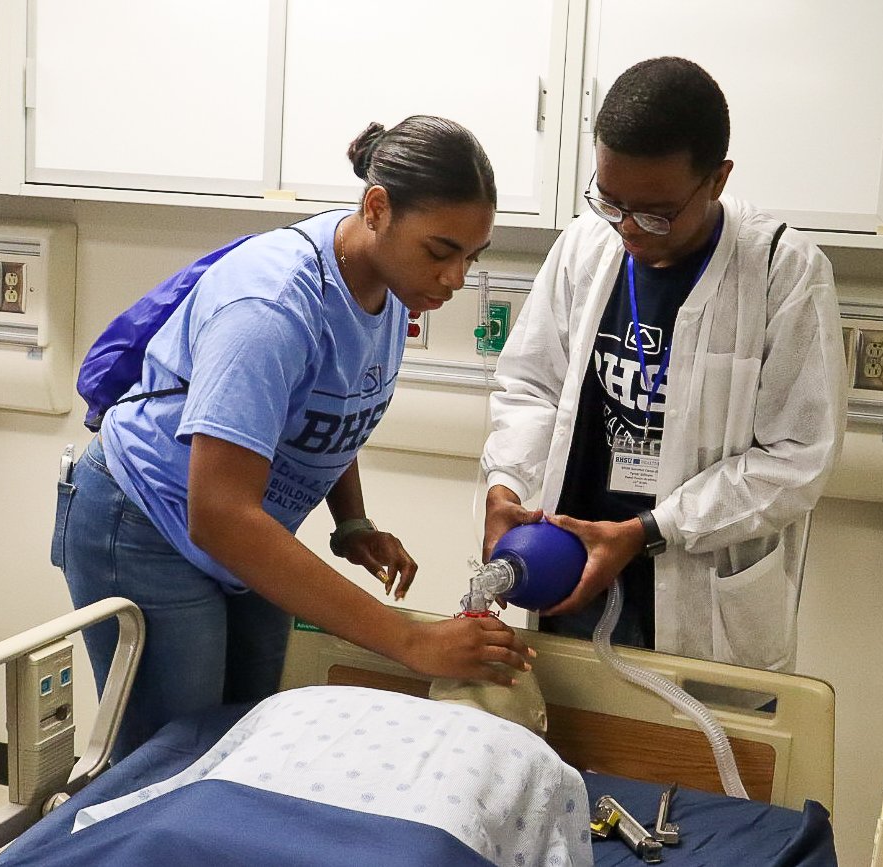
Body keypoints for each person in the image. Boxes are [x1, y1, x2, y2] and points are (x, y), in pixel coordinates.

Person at [53, 116, 533, 761]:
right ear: (376, 208)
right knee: (172, 763)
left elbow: (330, 406)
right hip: (148, 520)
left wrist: (352, 520)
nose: (455, 279)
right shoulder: (272, 307)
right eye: (440, 251)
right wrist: (412, 642)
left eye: (472, 257)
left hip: (237, 524)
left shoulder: (387, 287)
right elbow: (220, 516)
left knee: (247, 743)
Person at [480, 58, 847, 671]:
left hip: (704, 596)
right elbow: (530, 386)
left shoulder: (783, 273)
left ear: (717, 179)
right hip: (574, 572)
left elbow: (797, 458)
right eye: (610, 200)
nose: (628, 228)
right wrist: (505, 484)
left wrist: (650, 531)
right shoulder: (584, 243)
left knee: (693, 755)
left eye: (655, 212)